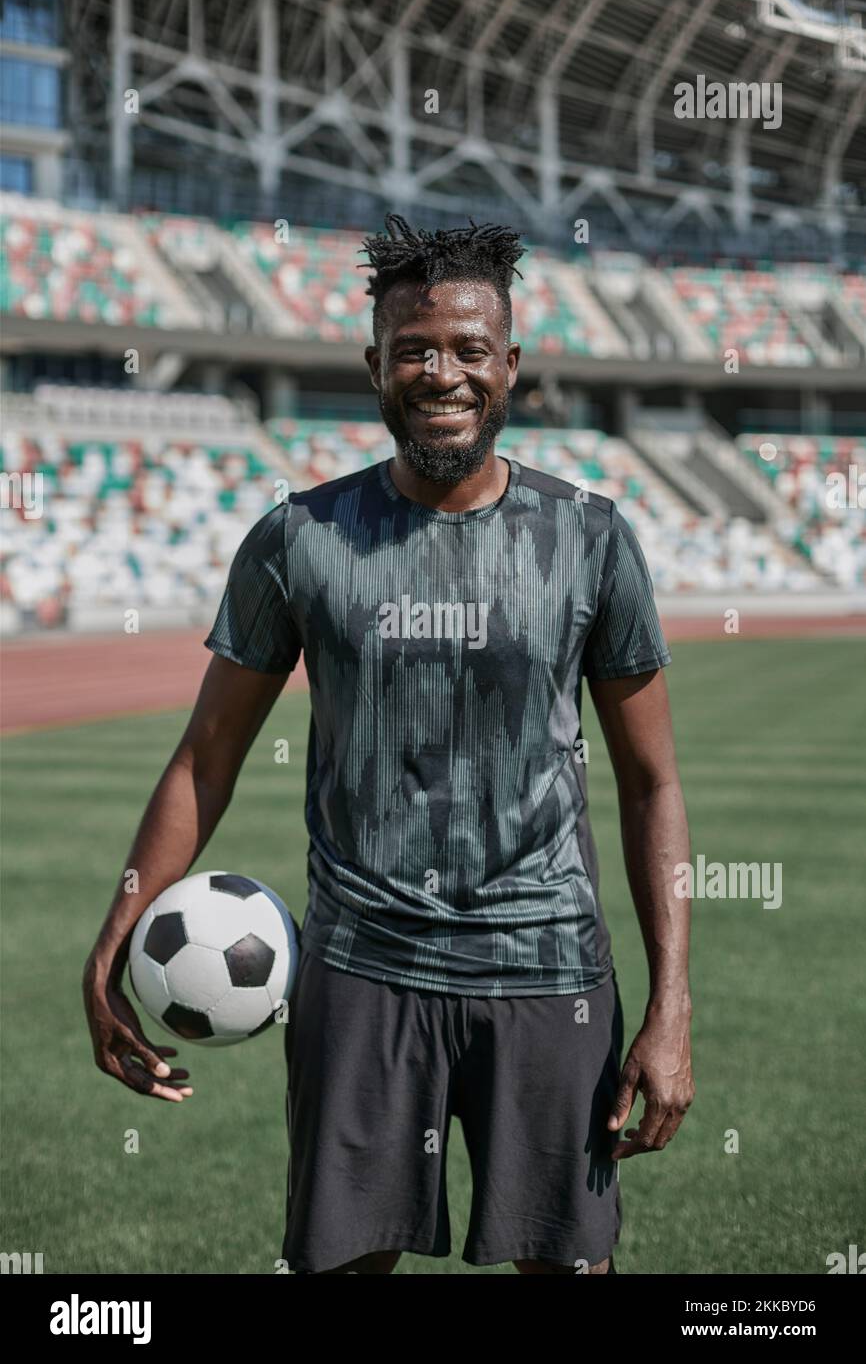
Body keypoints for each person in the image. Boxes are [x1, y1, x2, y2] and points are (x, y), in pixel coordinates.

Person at [83, 214, 694, 1276]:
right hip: (361, 967)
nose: (440, 373)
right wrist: (115, 937)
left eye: (466, 349)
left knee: (570, 1267)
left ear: (511, 365)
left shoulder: (591, 538)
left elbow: (652, 782)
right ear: (374, 363)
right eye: (413, 348)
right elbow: (205, 757)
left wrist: (670, 1001)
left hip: (547, 965)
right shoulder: (298, 540)